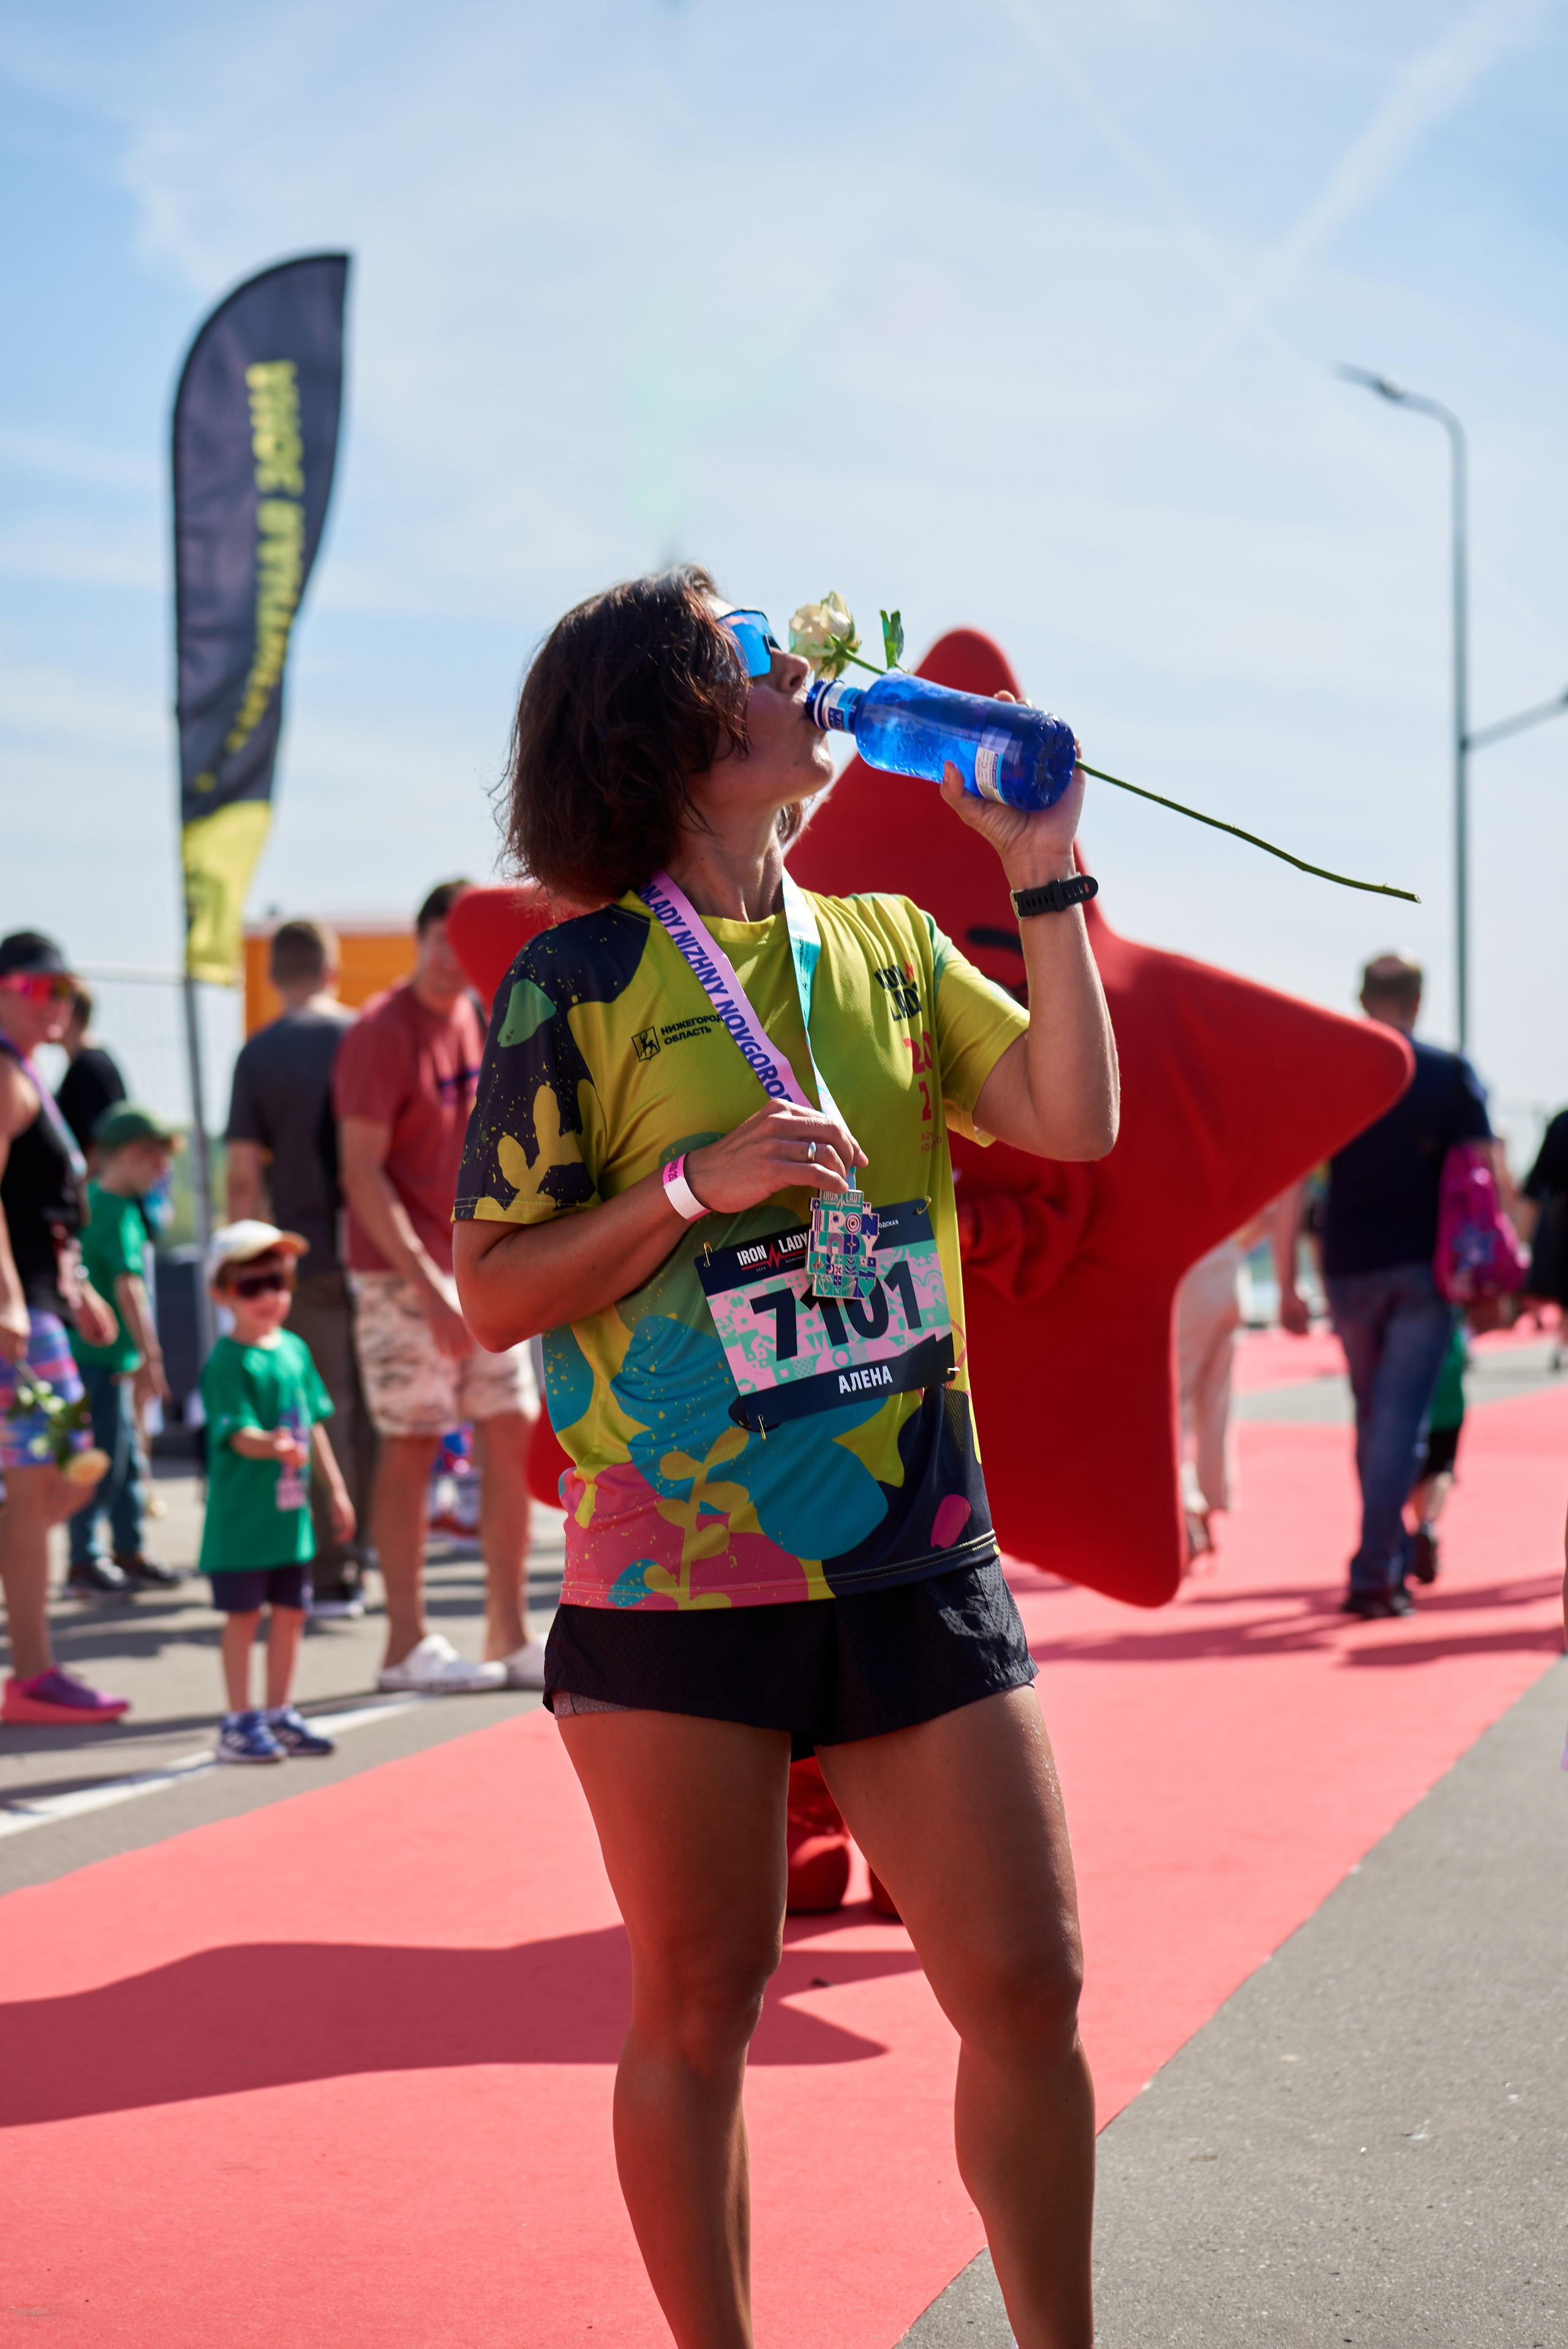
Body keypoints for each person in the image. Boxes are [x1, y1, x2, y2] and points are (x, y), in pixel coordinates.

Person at [453, 571, 1120, 2349]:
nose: (804, 668)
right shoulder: (577, 980)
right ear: (662, 729)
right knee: (700, 1999)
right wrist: (695, 1184)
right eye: (752, 652)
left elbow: (1074, 1117)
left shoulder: (893, 940)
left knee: (1030, 1983)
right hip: (680, 1574)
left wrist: (1043, 867)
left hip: (917, 1540)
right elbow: (495, 1286)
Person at [336, 880, 543, 1694]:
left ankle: (509, 1628)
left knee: (511, 1428)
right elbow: (360, 1170)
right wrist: (428, 1284)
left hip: (479, 1264)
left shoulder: (481, 1014)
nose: (454, 958)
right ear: (421, 936)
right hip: (398, 1273)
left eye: (465, 941)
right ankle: (405, 1642)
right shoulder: (379, 1031)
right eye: (442, 939)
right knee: (414, 1439)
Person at [1277, 952, 1492, 1619]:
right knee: (1401, 1420)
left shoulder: (1331, 1070)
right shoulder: (1449, 1074)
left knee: (1373, 1417)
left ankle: (1386, 1550)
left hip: (1346, 1270)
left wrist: (1288, 1283)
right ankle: (1374, 1568)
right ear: (1419, 1000)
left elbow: (1293, 1182)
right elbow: (1486, 1176)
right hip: (1422, 1272)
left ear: (1362, 997)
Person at [226, 918, 373, 1616]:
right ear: (332, 970)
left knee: (322, 1405)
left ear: (273, 976)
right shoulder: (363, 1034)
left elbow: (239, 1177)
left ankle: (335, 1568)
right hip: (377, 1247)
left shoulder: (258, 1054)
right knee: (376, 1407)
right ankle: (368, 1547)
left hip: (300, 1252)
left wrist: (245, 1269)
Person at [0, 930, 129, 1725]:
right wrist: (11, 1296)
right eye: (46, 988)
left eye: (68, 990)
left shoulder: (27, 1076)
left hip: (48, 1306)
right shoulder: (5, 1075)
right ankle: (34, 1671)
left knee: (66, 1472)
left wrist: (74, 1284)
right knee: (57, 1471)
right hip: (25, 1315)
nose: (62, 1004)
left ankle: (33, 1665)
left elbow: (39, 1206)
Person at [200, 1221, 355, 1763]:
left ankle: (278, 1711)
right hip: (243, 1525)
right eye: (250, 1286)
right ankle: (239, 1720)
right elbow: (235, 1433)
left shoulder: (294, 1348)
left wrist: (335, 1489)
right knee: (244, 1618)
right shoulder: (227, 1361)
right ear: (220, 1293)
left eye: (277, 1282)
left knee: (291, 1613)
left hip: (291, 1523)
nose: (268, 1296)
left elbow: (314, 1425)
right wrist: (272, 1443)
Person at [65, 1104, 184, 1597]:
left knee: (127, 1459)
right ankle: (84, 1560)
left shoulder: (91, 1200)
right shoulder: (116, 1210)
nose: (162, 1174)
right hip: (100, 1361)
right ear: (134, 1155)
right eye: (157, 1162)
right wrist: (150, 1356)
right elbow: (129, 1286)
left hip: (104, 1359)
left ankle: (128, 1548)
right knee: (102, 1461)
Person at [1408, 1319, 1466, 1585]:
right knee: (1442, 1466)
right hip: (1447, 1389)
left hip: (1404, 1392)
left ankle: (1421, 1528)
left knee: (1414, 1467)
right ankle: (1427, 1524)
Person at [55, 988, 128, 1160]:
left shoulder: (88, 1067)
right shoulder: (95, 1062)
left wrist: (80, 1186)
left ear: (69, 1012)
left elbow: (95, 1143)